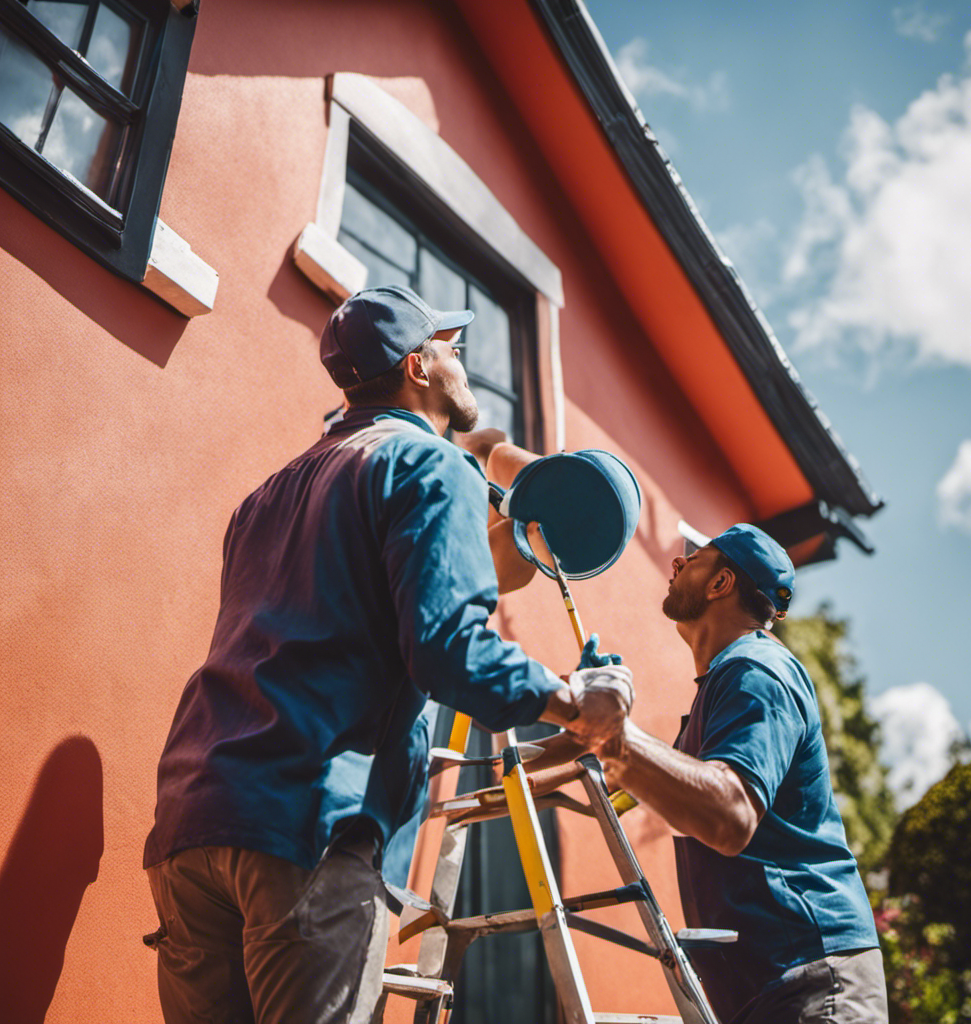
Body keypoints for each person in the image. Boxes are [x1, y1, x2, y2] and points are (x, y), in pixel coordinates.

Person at [142, 284, 632, 1024]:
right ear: (419, 367)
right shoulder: (430, 467)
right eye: (450, 347)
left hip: (191, 823)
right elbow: (447, 650)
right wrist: (577, 702)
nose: (462, 362)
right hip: (308, 820)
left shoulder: (265, 496)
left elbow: (355, 607)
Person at [596, 524, 886, 1024]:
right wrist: (573, 727)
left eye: (696, 557)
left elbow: (729, 816)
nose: (677, 563)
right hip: (771, 986)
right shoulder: (726, 687)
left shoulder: (756, 670)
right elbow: (630, 788)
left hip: (812, 980)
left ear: (720, 583)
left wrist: (613, 732)